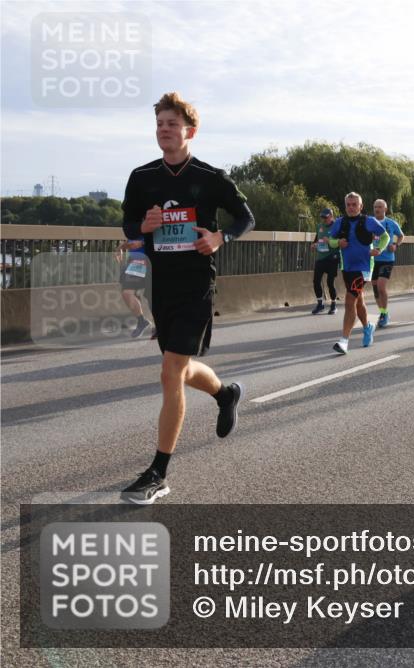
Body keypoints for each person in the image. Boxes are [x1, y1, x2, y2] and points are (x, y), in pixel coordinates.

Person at [119, 92, 255, 504]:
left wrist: (220, 237)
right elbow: (129, 225)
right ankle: (225, 394)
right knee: (178, 367)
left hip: (198, 284)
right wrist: (144, 224)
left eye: (172, 124)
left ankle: (157, 473)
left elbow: (246, 218)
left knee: (170, 370)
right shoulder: (142, 177)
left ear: (189, 131)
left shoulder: (211, 177)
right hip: (162, 286)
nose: (164, 129)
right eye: (159, 123)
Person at [330, 193, 389, 354]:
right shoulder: (339, 223)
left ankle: (344, 341)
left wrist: (379, 249)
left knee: (350, 301)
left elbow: (385, 236)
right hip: (347, 267)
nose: (351, 207)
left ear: (361, 206)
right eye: (348, 204)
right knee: (358, 300)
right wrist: (338, 242)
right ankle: (368, 326)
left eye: (354, 204)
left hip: (363, 268)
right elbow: (330, 240)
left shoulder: (369, 221)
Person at [371, 199, 404, 328]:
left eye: (379, 207)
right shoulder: (370, 223)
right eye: (375, 207)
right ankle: (383, 312)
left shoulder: (391, 223)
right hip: (373, 259)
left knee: (381, 286)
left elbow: (401, 236)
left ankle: (384, 314)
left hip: (387, 259)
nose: (377, 209)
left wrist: (396, 244)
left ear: (385, 209)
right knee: (375, 289)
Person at [115, 236, 153, 337]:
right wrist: (120, 248)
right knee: (127, 293)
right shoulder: (133, 226)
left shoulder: (150, 222)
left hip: (151, 262)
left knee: (151, 297)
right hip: (136, 263)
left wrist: (143, 243)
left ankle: (162, 325)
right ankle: (142, 321)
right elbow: (130, 242)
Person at [310, 207, 338, 315]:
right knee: (316, 281)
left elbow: (340, 241)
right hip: (320, 258)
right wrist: (313, 245)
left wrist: (330, 241)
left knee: (330, 282)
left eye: (326, 218)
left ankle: (333, 305)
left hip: (332, 258)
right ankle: (320, 304)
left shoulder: (336, 226)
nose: (324, 220)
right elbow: (316, 240)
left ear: (331, 216)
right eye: (322, 218)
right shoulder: (319, 227)